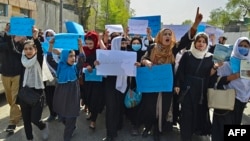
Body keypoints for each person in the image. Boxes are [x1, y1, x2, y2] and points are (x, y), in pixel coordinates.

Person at [140, 7, 203, 141]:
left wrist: (195, 24)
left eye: (170, 34)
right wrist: (147, 62)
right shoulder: (152, 47)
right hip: (152, 83)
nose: (168, 36)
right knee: (150, 107)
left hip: (167, 84)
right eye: (165, 34)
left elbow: (186, 39)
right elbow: (143, 58)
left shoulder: (173, 49)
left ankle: (158, 130)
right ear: (160, 36)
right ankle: (148, 126)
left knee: (162, 109)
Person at [175, 32, 215, 141]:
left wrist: (215, 68)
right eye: (199, 41)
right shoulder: (187, 55)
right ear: (195, 42)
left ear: (207, 44)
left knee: (198, 113)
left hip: (202, 90)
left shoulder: (210, 58)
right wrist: (178, 84)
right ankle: (185, 136)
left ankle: (195, 132)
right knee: (187, 114)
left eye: (204, 42)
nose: (201, 44)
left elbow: (210, 76)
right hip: (187, 89)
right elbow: (181, 71)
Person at [211, 37, 250, 141]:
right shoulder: (227, 63)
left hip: (242, 101)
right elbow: (216, 80)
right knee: (222, 129)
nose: (243, 48)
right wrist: (233, 77)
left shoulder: (249, 64)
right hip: (226, 101)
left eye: (246, 46)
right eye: (240, 45)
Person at [47, 37, 85, 141]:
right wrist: (51, 45)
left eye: (73, 55)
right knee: (63, 117)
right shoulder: (59, 67)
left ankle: (67, 136)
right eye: (70, 56)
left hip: (73, 97)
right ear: (64, 57)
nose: (73, 58)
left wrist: (80, 46)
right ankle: (71, 126)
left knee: (70, 117)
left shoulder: (75, 68)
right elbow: (49, 59)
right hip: (61, 96)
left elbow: (82, 59)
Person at [95, 36, 129, 141]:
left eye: (124, 44)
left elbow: (130, 70)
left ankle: (118, 126)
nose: (123, 46)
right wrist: (98, 65)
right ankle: (110, 133)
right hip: (110, 84)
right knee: (111, 108)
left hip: (123, 83)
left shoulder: (128, 55)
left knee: (119, 106)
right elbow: (103, 72)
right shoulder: (108, 56)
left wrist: (134, 65)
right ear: (115, 44)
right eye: (121, 44)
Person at [19, 28, 49, 141]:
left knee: (34, 119)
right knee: (26, 120)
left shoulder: (39, 59)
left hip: (37, 93)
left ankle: (44, 126)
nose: (28, 51)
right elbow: (13, 48)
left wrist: (35, 38)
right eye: (25, 49)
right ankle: (30, 138)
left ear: (35, 50)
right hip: (25, 93)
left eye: (30, 48)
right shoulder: (22, 61)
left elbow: (40, 51)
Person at [0, 22, 23, 133]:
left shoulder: (21, 41)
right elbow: (4, 47)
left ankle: (12, 123)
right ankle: (19, 113)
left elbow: (18, 52)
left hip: (17, 74)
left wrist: (17, 41)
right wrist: (12, 39)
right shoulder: (2, 37)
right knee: (9, 99)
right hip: (5, 74)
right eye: (8, 27)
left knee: (14, 98)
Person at [81, 31, 105, 129]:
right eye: (87, 43)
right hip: (87, 78)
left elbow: (106, 54)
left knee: (95, 99)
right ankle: (91, 113)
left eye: (91, 43)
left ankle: (93, 120)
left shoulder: (99, 49)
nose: (89, 45)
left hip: (98, 80)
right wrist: (87, 66)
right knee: (87, 97)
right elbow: (81, 61)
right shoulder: (84, 49)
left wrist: (100, 39)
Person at [125, 36, 146, 136]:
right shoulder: (128, 53)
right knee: (131, 102)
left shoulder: (144, 54)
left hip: (141, 82)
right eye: (134, 43)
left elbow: (147, 66)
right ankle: (133, 122)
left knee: (140, 104)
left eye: (138, 43)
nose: (136, 45)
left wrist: (141, 65)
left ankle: (137, 124)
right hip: (130, 82)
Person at [42, 29, 58, 122]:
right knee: (49, 96)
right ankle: (52, 113)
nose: (49, 36)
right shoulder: (42, 46)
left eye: (51, 34)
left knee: (58, 95)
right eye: (47, 35)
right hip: (46, 74)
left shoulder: (59, 46)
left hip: (57, 72)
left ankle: (60, 113)